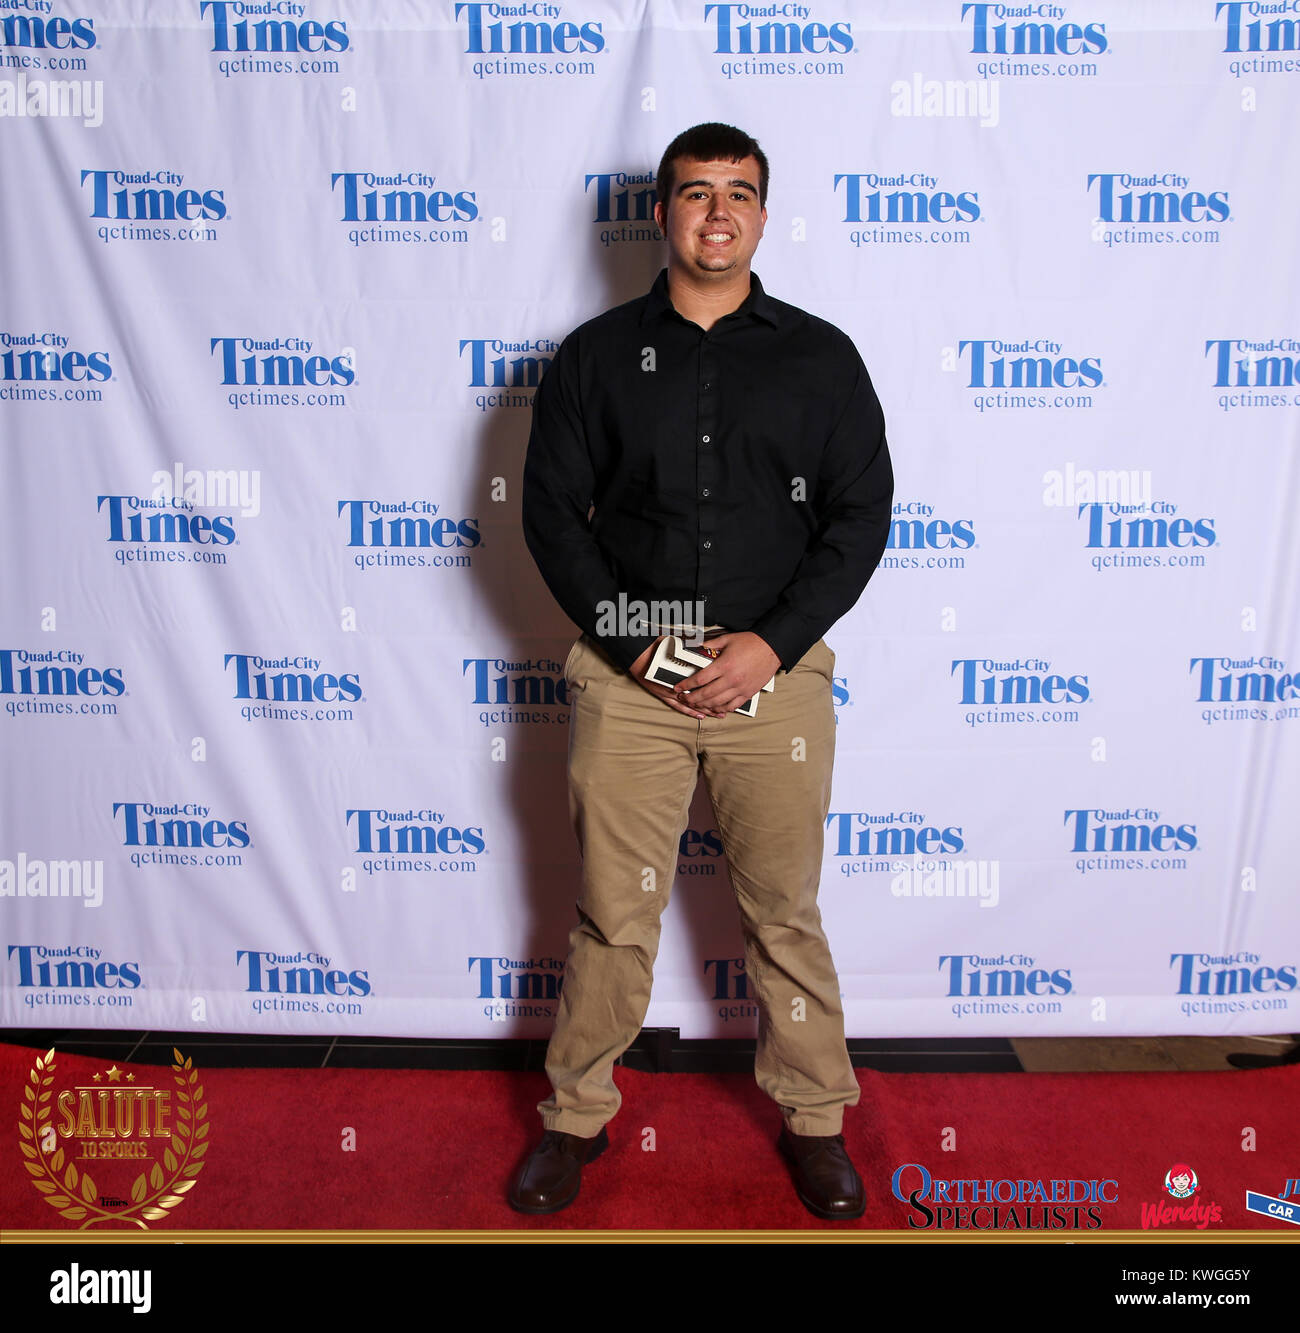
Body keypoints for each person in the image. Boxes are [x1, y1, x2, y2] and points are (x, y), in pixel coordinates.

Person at [515, 122, 893, 1219]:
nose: (716, 212)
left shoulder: (820, 357)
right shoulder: (594, 356)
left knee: (783, 913)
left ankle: (816, 1119)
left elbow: (858, 516)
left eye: (738, 194)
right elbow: (552, 517)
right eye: (694, 193)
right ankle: (573, 1118)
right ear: (662, 215)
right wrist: (641, 640)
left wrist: (768, 645)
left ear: (763, 216)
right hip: (629, 676)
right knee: (609, 915)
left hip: (772, 677)